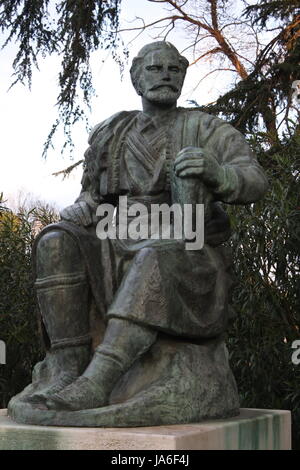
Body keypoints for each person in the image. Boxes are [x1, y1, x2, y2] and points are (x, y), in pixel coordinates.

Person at [9, 42, 268, 424]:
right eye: (154, 68)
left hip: (187, 244)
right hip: (117, 234)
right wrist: (85, 204)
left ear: (182, 75)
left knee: (155, 253)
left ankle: (100, 379)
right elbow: (92, 195)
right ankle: (67, 363)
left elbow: (254, 179)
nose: (164, 74)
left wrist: (220, 173)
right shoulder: (114, 130)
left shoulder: (207, 128)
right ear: (136, 78)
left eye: (173, 69)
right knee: (55, 240)